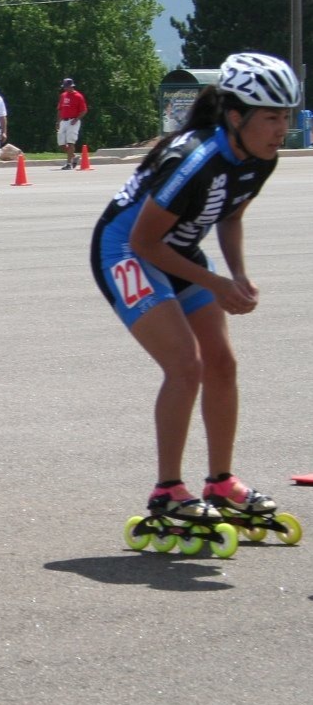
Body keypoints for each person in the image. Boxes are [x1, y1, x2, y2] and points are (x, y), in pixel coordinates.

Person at [90, 52, 297, 547]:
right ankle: (167, 491)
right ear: (234, 115)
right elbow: (143, 243)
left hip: (177, 250)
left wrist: (238, 274)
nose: (281, 129)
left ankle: (220, 483)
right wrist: (217, 285)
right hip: (126, 250)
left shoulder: (259, 157)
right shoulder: (194, 160)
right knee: (187, 365)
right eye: (271, 117)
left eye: (287, 116)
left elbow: (230, 215)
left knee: (222, 363)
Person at [56, 78, 88, 169]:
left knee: (70, 142)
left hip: (73, 121)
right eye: (64, 87)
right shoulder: (63, 95)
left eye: (67, 87)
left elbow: (84, 110)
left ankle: (68, 164)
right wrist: (58, 121)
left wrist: (77, 119)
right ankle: (74, 156)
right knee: (61, 143)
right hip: (63, 121)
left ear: (71, 86)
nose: (65, 89)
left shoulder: (78, 96)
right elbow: (60, 109)